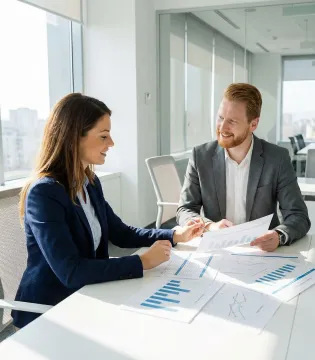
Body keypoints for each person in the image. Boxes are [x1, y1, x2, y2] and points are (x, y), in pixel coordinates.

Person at [12, 93, 202, 329]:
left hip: (88, 297)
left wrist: (175, 235)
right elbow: (70, 271)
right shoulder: (45, 194)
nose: (111, 143)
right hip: (50, 311)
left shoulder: (89, 183)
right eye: (103, 136)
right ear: (74, 138)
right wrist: (141, 262)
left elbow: (120, 232)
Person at [176, 83, 310, 252]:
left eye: (232, 121)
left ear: (253, 124)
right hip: (217, 250)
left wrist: (279, 235)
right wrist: (209, 226)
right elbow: (185, 209)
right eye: (220, 117)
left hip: (262, 253)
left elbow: (298, 215)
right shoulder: (200, 156)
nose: (222, 128)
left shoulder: (277, 158)